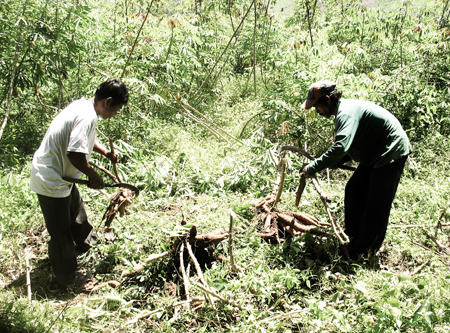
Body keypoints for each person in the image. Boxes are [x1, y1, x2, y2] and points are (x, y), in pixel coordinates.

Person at [30, 79, 129, 287]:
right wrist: (92, 175)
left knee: (77, 213)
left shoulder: (85, 106)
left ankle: (89, 245)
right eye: (117, 109)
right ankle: (66, 280)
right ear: (108, 101)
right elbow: (74, 153)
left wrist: (104, 152)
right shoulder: (86, 115)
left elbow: (82, 139)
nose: (115, 114)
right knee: (60, 233)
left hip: (63, 178)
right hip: (50, 179)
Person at [300, 80, 411, 259]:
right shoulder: (343, 111)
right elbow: (354, 141)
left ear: (328, 100)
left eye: (317, 107)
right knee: (354, 190)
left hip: (390, 152)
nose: (317, 111)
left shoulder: (346, 113)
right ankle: (353, 235)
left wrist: (313, 167)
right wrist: (340, 160)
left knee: (377, 204)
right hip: (373, 154)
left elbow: (340, 147)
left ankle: (363, 251)